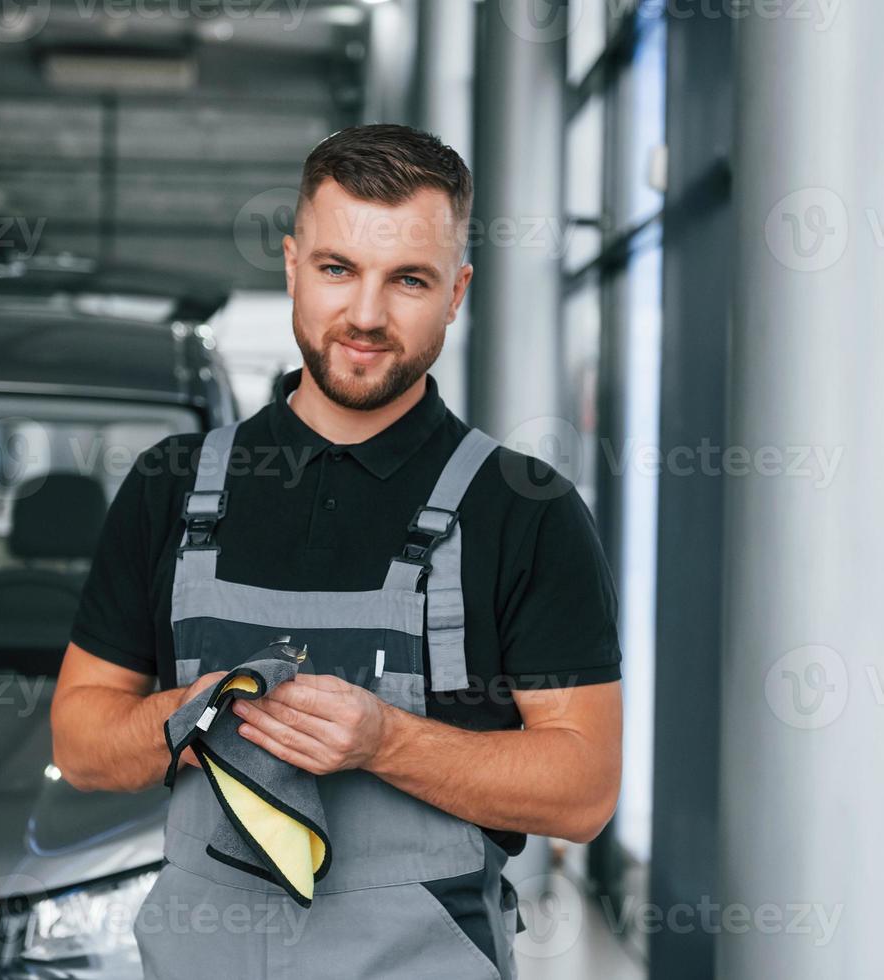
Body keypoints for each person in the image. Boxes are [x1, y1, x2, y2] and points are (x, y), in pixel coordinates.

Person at [52, 122, 623, 979]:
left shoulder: (523, 509)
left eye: (409, 281)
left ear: (457, 291)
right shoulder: (172, 484)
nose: (365, 314)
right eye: (337, 269)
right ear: (291, 265)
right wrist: (200, 712)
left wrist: (385, 740)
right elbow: (82, 740)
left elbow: (584, 791)